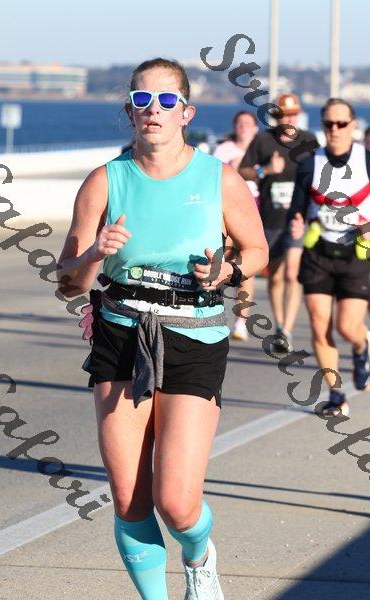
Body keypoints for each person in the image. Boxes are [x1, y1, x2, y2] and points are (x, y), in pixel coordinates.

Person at [57, 57, 268, 600]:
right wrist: (93, 255)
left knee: (176, 503)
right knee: (130, 499)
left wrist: (227, 271)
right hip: (121, 333)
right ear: (130, 111)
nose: (154, 110)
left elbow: (257, 250)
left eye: (167, 100)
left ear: (186, 112)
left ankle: (199, 556)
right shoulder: (105, 180)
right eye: (142, 100)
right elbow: (68, 282)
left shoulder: (218, 178)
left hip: (194, 335)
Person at [288, 97, 370, 417]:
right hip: (318, 253)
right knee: (319, 326)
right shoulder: (310, 163)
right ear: (322, 125)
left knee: (348, 327)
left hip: (356, 256)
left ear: (353, 125)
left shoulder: (366, 160)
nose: (334, 129)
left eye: (341, 123)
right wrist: (296, 221)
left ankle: (362, 346)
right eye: (328, 124)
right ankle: (336, 396)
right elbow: (297, 208)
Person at [239, 94, 318, 352]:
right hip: (271, 219)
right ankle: (280, 324)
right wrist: (265, 170)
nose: (290, 119)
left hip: (298, 219)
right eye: (285, 114)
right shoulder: (263, 140)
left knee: (292, 273)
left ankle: (286, 330)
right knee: (275, 276)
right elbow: (242, 170)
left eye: (294, 114)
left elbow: (322, 174)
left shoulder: (309, 141)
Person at [214, 111, 259, 341]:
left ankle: (241, 322)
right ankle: (215, 313)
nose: (243, 127)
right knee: (222, 264)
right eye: (239, 123)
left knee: (246, 268)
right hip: (226, 214)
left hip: (256, 214)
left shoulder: (261, 149)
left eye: (248, 123)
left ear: (256, 128)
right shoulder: (224, 149)